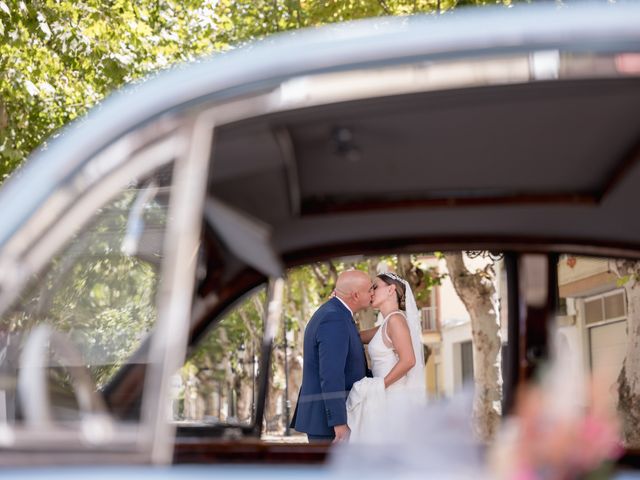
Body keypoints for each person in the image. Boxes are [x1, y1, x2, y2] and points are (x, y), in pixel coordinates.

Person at [290, 270, 373, 443]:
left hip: (331, 419)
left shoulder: (337, 313)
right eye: (370, 289)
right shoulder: (334, 318)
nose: (373, 293)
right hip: (328, 424)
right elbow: (331, 375)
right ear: (356, 295)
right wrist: (339, 423)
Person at [346, 271, 426, 442]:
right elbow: (357, 337)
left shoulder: (396, 320)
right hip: (385, 398)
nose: (371, 291)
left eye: (375, 286)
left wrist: (380, 385)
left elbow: (409, 360)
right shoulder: (387, 322)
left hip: (393, 401)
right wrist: (346, 304)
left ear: (391, 290)